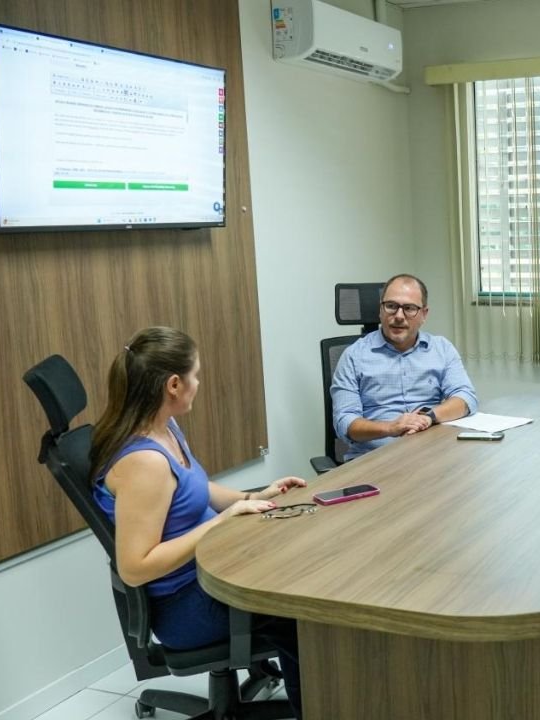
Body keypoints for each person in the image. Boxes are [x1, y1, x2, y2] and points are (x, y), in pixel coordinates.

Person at [88, 327, 306, 718]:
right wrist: (222, 522)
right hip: (187, 604)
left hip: (211, 571)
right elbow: (135, 567)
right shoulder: (144, 464)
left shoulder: (164, 426)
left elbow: (196, 489)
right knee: (304, 610)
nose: (198, 383)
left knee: (301, 559)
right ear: (174, 384)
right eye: (196, 375)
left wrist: (253, 498)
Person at [330, 273, 478, 461]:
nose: (399, 316)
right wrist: (391, 428)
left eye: (409, 308)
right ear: (380, 310)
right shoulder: (353, 356)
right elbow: (345, 423)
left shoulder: (441, 349)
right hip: (374, 460)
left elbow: (466, 398)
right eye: (391, 306)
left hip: (431, 457)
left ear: (424, 314)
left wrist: (428, 418)